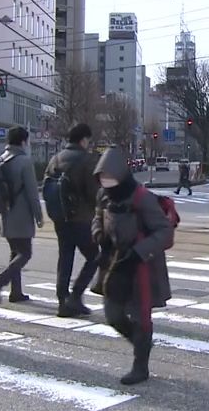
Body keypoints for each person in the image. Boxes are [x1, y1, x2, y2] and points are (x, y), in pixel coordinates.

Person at [92, 147, 173, 385]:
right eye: (101, 178)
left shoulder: (141, 197)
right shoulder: (103, 195)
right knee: (113, 314)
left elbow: (165, 232)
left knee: (141, 316)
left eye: (110, 177)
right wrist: (98, 234)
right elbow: (97, 218)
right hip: (114, 262)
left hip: (141, 265)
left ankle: (141, 364)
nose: (106, 183)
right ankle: (142, 342)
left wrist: (140, 252)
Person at [45, 123, 100, 317]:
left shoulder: (55, 159)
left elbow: (47, 187)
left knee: (65, 257)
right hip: (80, 218)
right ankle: (75, 296)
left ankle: (63, 301)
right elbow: (93, 192)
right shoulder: (85, 160)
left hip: (60, 218)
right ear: (83, 139)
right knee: (95, 257)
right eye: (88, 140)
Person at [0, 127, 44, 304]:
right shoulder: (24, 161)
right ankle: (0, 280)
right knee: (25, 253)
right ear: (23, 141)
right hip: (20, 215)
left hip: (3, 215)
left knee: (15, 252)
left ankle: (16, 292)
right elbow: (32, 192)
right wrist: (38, 215)